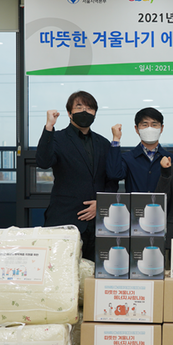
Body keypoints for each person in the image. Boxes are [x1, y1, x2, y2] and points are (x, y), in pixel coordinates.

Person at [36, 91, 118, 261]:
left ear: (95, 113)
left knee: (94, 273)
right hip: (65, 220)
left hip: (98, 224)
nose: (84, 112)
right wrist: (49, 126)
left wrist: (102, 203)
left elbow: (111, 180)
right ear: (69, 113)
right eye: (79, 107)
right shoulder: (57, 138)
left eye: (89, 108)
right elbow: (43, 162)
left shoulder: (103, 143)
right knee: (61, 270)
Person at [106, 107, 173, 193]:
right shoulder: (127, 158)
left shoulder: (172, 159)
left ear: (161, 128)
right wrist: (116, 139)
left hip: (163, 202)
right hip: (134, 202)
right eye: (145, 125)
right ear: (136, 129)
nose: (149, 128)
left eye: (154, 124)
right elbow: (114, 174)